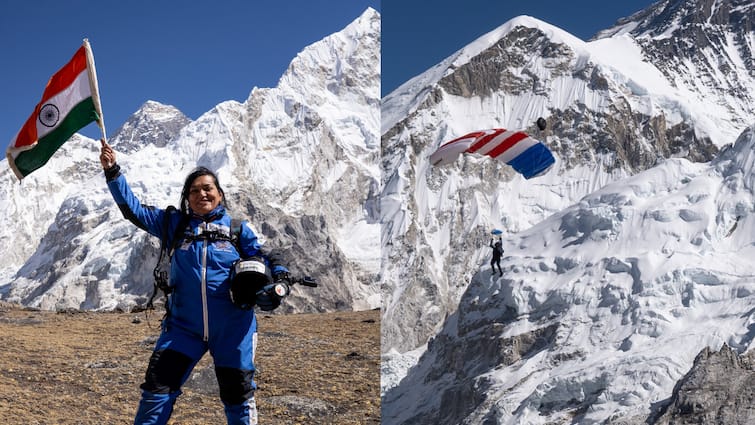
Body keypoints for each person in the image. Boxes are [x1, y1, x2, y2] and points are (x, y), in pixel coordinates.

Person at [99, 139, 289, 425]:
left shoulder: (238, 230)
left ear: (220, 194)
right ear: (187, 199)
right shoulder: (173, 225)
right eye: (194, 190)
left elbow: (266, 256)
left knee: (238, 398)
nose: (202, 193)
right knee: (156, 391)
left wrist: (282, 275)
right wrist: (113, 171)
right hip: (182, 329)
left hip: (233, 329)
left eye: (208, 188)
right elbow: (133, 211)